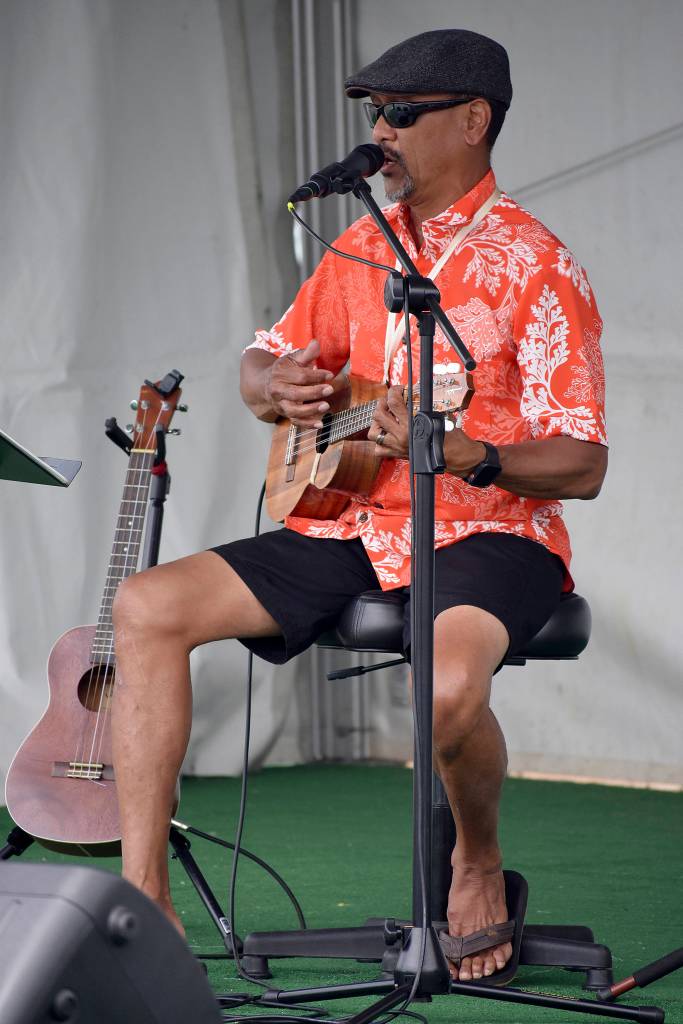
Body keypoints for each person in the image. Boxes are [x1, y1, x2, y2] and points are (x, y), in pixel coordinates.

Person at [111, 28, 607, 983]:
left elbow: (580, 461)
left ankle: (475, 860)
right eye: (373, 116)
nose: (379, 133)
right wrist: (273, 388)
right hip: (345, 518)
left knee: (448, 693)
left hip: (490, 529)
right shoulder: (355, 248)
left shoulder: (537, 264)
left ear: (472, 121)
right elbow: (267, 357)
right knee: (144, 609)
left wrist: (467, 450)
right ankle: (144, 903)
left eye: (400, 115)